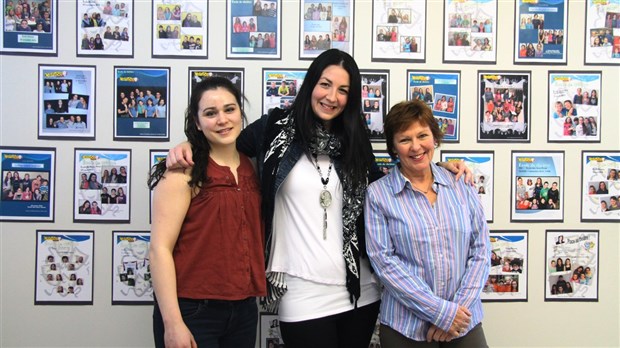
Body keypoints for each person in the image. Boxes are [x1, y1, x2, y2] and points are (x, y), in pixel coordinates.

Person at [165, 50, 471, 347]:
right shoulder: (273, 128)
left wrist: (434, 169)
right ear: (311, 84)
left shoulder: (354, 138)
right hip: (302, 290)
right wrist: (189, 144)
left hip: (359, 290)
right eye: (325, 84)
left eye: (343, 90)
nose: (331, 96)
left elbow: (383, 185)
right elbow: (225, 145)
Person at [149, 77, 266, 348]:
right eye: (210, 113)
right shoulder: (183, 171)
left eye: (229, 109)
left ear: (240, 112)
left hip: (244, 310)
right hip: (193, 311)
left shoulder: (252, 167)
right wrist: (173, 323)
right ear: (197, 121)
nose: (222, 120)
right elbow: (159, 250)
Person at [365, 100, 490, 347]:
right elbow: (384, 263)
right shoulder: (378, 195)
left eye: (422, 135)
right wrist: (441, 313)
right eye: (404, 139)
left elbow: (481, 250)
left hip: (464, 321)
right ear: (393, 147)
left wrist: (456, 312)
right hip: (405, 327)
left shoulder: (460, 183)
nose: (416, 146)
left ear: (434, 137)